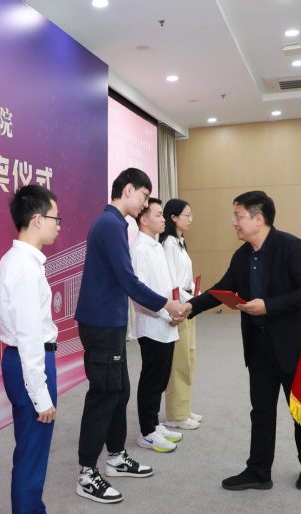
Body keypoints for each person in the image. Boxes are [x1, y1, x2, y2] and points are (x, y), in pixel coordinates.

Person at [188, 190, 301, 492]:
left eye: (238, 216)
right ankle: (259, 471)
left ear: (258, 219)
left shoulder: (291, 246)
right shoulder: (242, 255)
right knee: (261, 410)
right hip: (259, 344)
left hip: (292, 343)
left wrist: (268, 306)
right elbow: (223, 288)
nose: (234, 222)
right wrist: (190, 307)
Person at [74, 168, 190, 504]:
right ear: (128, 190)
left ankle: (115, 456)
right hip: (101, 324)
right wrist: (166, 304)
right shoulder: (110, 224)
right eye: (143, 195)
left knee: (120, 389)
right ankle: (86, 473)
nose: (144, 203)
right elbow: (128, 280)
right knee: (104, 394)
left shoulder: (113, 223)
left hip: (110, 322)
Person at [0, 184, 61, 514]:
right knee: (32, 453)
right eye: (55, 218)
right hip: (29, 361)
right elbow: (30, 335)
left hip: (22, 359)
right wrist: (40, 394)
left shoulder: (18, 261)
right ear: (37, 220)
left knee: (30, 449)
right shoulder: (23, 267)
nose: (58, 225)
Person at [129, 198, 184, 453]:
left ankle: (154, 423)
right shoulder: (139, 249)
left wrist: (176, 310)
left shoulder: (157, 246)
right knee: (151, 379)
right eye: (159, 215)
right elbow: (141, 294)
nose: (164, 219)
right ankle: (147, 432)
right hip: (152, 324)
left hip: (167, 321)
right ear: (143, 219)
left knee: (162, 377)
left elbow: (166, 285)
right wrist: (166, 313)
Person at [160, 198, 202, 430]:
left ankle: (183, 408)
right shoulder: (168, 244)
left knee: (189, 359)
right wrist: (191, 301)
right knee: (179, 363)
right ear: (173, 217)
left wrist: (197, 296)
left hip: (188, 305)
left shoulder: (180, 242)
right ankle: (175, 415)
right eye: (187, 215)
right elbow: (172, 283)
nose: (190, 219)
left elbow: (186, 280)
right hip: (180, 307)